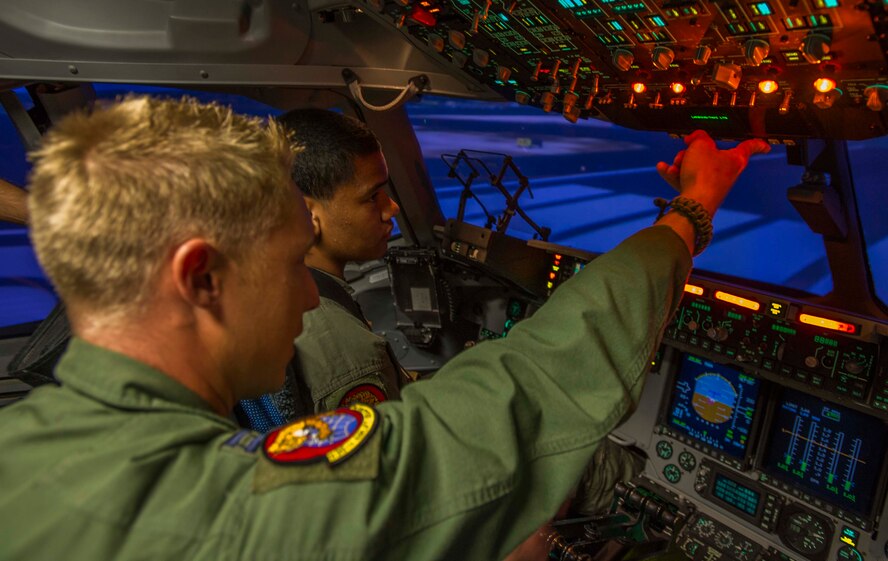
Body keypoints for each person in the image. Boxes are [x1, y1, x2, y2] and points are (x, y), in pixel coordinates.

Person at [0, 95, 768, 560]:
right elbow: (519, 397)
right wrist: (691, 211)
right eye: (292, 262)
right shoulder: (228, 510)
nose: (309, 299)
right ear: (199, 277)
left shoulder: (32, 440)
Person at [239, 109, 407, 427]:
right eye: (372, 197)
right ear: (306, 214)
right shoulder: (348, 352)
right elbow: (381, 466)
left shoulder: (262, 284)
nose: (392, 208)